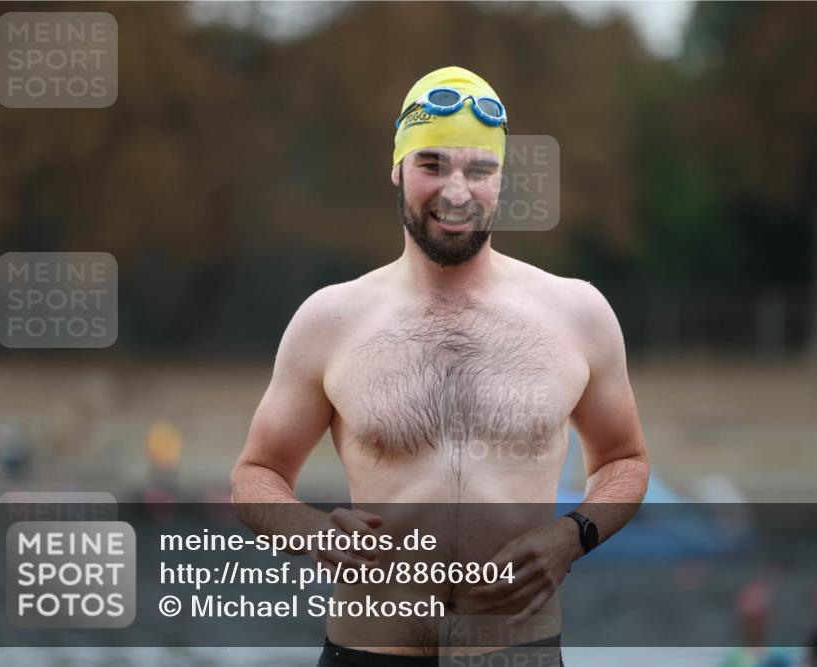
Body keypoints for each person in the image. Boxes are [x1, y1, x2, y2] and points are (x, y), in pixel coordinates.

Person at [230, 66, 650, 666]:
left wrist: (571, 536)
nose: (456, 192)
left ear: (501, 179)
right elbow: (256, 474)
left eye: (478, 170)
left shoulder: (577, 314)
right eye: (432, 165)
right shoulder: (331, 320)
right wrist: (313, 532)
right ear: (397, 168)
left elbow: (625, 460)